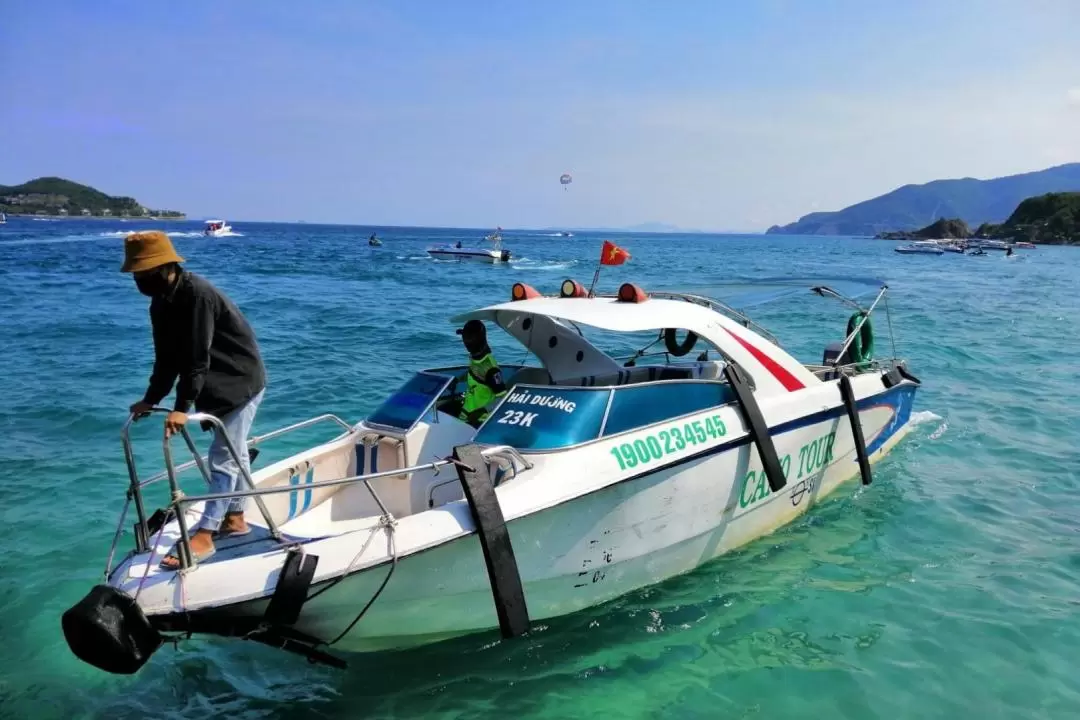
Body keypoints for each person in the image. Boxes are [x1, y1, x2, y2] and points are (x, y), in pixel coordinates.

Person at [122, 231, 267, 569]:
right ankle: (236, 519)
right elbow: (166, 358)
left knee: (223, 457)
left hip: (239, 379)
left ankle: (207, 532)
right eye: (136, 276)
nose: (141, 281)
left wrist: (179, 410)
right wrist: (151, 398)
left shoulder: (198, 295)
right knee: (235, 453)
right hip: (212, 382)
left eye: (146, 273)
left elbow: (195, 361)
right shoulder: (160, 302)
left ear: (168, 266)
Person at [441, 319, 506, 426]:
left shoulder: (490, 368)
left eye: (468, 339)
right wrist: (457, 380)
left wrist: (483, 411)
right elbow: (473, 374)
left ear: (478, 340)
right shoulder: (475, 358)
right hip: (466, 415)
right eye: (464, 338)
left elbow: (502, 397)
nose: (465, 342)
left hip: (480, 421)